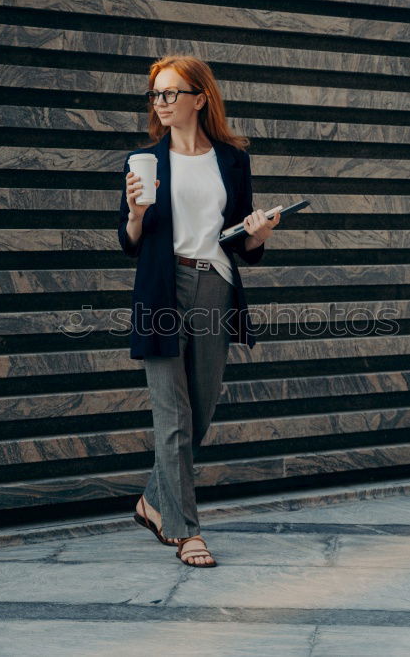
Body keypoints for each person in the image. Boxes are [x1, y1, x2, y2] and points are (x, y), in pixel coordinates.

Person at [118, 55, 279, 567]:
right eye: (156, 95)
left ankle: (152, 499)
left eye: (170, 93)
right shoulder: (143, 161)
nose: (161, 103)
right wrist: (137, 214)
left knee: (200, 410)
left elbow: (242, 243)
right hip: (162, 287)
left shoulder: (232, 159)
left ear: (199, 98)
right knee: (172, 413)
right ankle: (186, 530)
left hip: (216, 285)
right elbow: (127, 242)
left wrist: (258, 236)